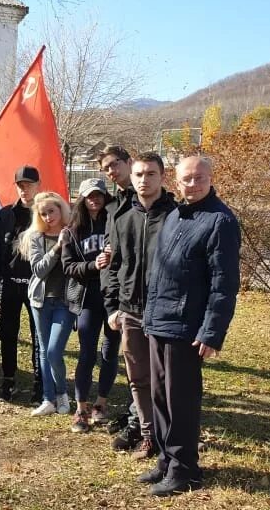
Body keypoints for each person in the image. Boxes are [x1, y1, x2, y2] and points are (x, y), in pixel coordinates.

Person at [139, 156, 240, 496]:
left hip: (187, 327)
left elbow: (223, 284)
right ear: (176, 182)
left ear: (211, 179)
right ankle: (167, 461)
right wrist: (148, 317)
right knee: (160, 397)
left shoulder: (220, 221)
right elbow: (159, 273)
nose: (193, 184)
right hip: (159, 321)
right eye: (187, 179)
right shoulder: (173, 216)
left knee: (181, 402)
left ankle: (185, 470)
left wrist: (211, 331)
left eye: (199, 178)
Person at [104, 151, 177, 459]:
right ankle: (148, 436)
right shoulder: (121, 217)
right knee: (139, 379)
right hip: (130, 310)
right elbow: (113, 265)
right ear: (130, 178)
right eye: (138, 175)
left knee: (169, 380)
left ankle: (170, 437)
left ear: (162, 176)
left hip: (167, 312)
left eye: (150, 174)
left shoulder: (177, 215)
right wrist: (112, 307)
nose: (144, 180)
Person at [63, 178, 118, 432]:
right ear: (82, 200)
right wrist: (92, 265)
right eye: (89, 196)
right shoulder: (73, 230)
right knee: (86, 353)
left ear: (106, 197)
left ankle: (101, 404)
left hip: (114, 297)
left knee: (110, 352)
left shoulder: (115, 222)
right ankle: (81, 408)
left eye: (98, 195)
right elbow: (68, 266)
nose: (94, 200)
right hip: (86, 297)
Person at [0, 165, 41, 402]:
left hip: (36, 283)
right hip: (9, 283)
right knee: (7, 333)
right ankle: (8, 378)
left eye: (28, 185)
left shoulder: (44, 212)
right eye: (20, 185)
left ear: (37, 186)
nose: (24, 190)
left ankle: (39, 382)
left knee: (38, 335)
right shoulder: (5, 213)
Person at [22, 192, 75, 416]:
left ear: (61, 209)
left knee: (54, 350)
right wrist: (56, 248)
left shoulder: (72, 232)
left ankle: (62, 392)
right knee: (43, 351)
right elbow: (39, 269)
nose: (48, 217)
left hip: (65, 301)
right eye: (43, 214)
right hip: (40, 300)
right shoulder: (36, 237)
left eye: (51, 211)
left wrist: (66, 241)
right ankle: (48, 399)